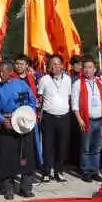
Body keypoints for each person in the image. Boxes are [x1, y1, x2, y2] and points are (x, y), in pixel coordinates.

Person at [0, 59, 38, 199]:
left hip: (23, 125)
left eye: (2, 72)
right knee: (6, 158)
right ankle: (8, 188)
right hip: (7, 125)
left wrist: (28, 115)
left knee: (26, 156)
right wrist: (2, 120)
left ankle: (26, 188)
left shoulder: (22, 85)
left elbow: (32, 101)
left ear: (10, 72)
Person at [37, 54, 72, 182]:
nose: (55, 66)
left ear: (62, 66)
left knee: (62, 146)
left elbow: (68, 96)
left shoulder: (68, 79)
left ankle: (59, 171)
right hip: (48, 117)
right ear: (49, 66)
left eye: (57, 64)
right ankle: (46, 172)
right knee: (47, 146)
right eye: (52, 64)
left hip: (64, 117)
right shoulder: (44, 79)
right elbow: (40, 98)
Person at [71, 56, 102, 182]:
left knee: (96, 148)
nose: (87, 70)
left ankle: (94, 170)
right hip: (87, 120)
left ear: (95, 69)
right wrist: (79, 119)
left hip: (100, 119)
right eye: (85, 67)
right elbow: (74, 104)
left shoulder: (100, 83)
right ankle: (85, 171)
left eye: (90, 67)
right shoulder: (77, 83)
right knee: (85, 148)